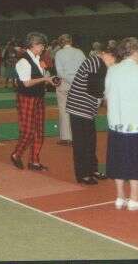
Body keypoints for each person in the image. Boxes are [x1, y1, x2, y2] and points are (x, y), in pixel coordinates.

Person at [105, 37, 138, 211]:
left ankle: (120, 197)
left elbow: (107, 95)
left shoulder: (112, 70)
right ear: (136, 51)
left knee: (118, 160)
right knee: (137, 160)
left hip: (117, 124)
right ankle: (134, 198)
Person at [66, 46, 115, 184]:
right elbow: (96, 89)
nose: (113, 62)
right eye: (112, 58)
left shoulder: (100, 64)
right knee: (81, 142)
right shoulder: (95, 62)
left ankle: (92, 169)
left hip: (87, 108)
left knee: (90, 141)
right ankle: (83, 174)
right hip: (79, 107)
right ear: (104, 54)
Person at [10, 32, 57, 171]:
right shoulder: (23, 61)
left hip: (39, 97)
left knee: (39, 131)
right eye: (42, 45)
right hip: (27, 98)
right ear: (34, 45)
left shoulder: (38, 59)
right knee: (28, 131)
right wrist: (45, 79)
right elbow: (26, 83)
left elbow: (41, 77)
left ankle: (34, 161)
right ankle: (16, 154)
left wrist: (49, 80)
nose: (43, 48)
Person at [53, 34, 86, 146]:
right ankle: (79, 136)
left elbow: (60, 72)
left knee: (64, 110)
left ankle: (67, 138)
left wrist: (71, 80)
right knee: (79, 110)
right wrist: (77, 81)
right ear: (71, 41)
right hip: (79, 84)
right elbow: (85, 69)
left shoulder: (59, 53)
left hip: (64, 85)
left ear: (61, 43)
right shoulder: (80, 52)